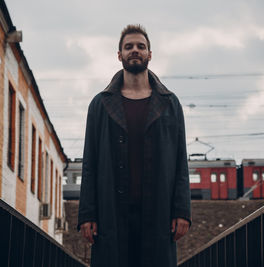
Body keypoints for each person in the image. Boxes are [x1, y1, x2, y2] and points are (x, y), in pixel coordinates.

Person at [77, 24, 191, 267]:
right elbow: (90, 162)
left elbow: (181, 160)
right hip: (112, 212)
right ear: (119, 55)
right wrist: (88, 214)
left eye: (141, 46)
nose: (135, 50)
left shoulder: (170, 103)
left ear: (150, 53)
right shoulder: (99, 104)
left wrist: (182, 210)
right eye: (128, 47)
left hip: (158, 211)